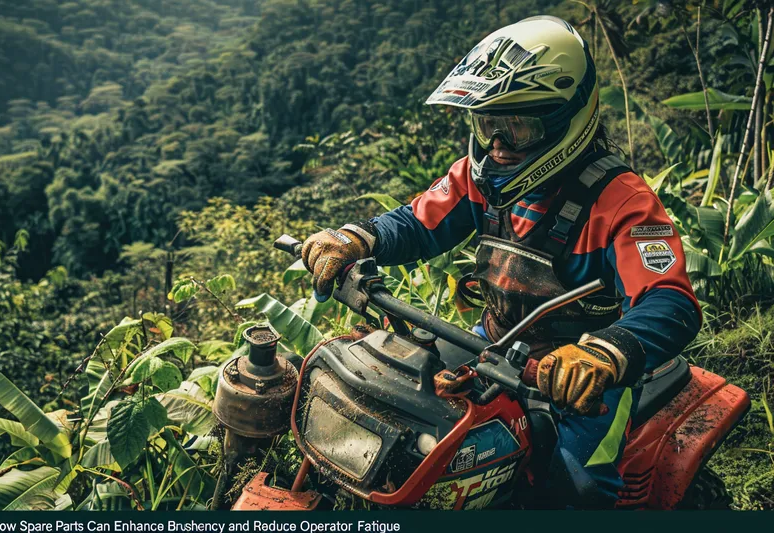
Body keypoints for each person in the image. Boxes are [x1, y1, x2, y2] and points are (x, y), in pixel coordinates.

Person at [299, 16, 700, 504]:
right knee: (415, 435)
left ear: (564, 119)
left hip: (582, 377)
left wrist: (601, 354)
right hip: (493, 343)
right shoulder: (479, 178)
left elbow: (670, 301)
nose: (498, 146)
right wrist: (356, 238)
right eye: (489, 125)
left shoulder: (622, 201)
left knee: (580, 487)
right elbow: (417, 223)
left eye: (517, 127)